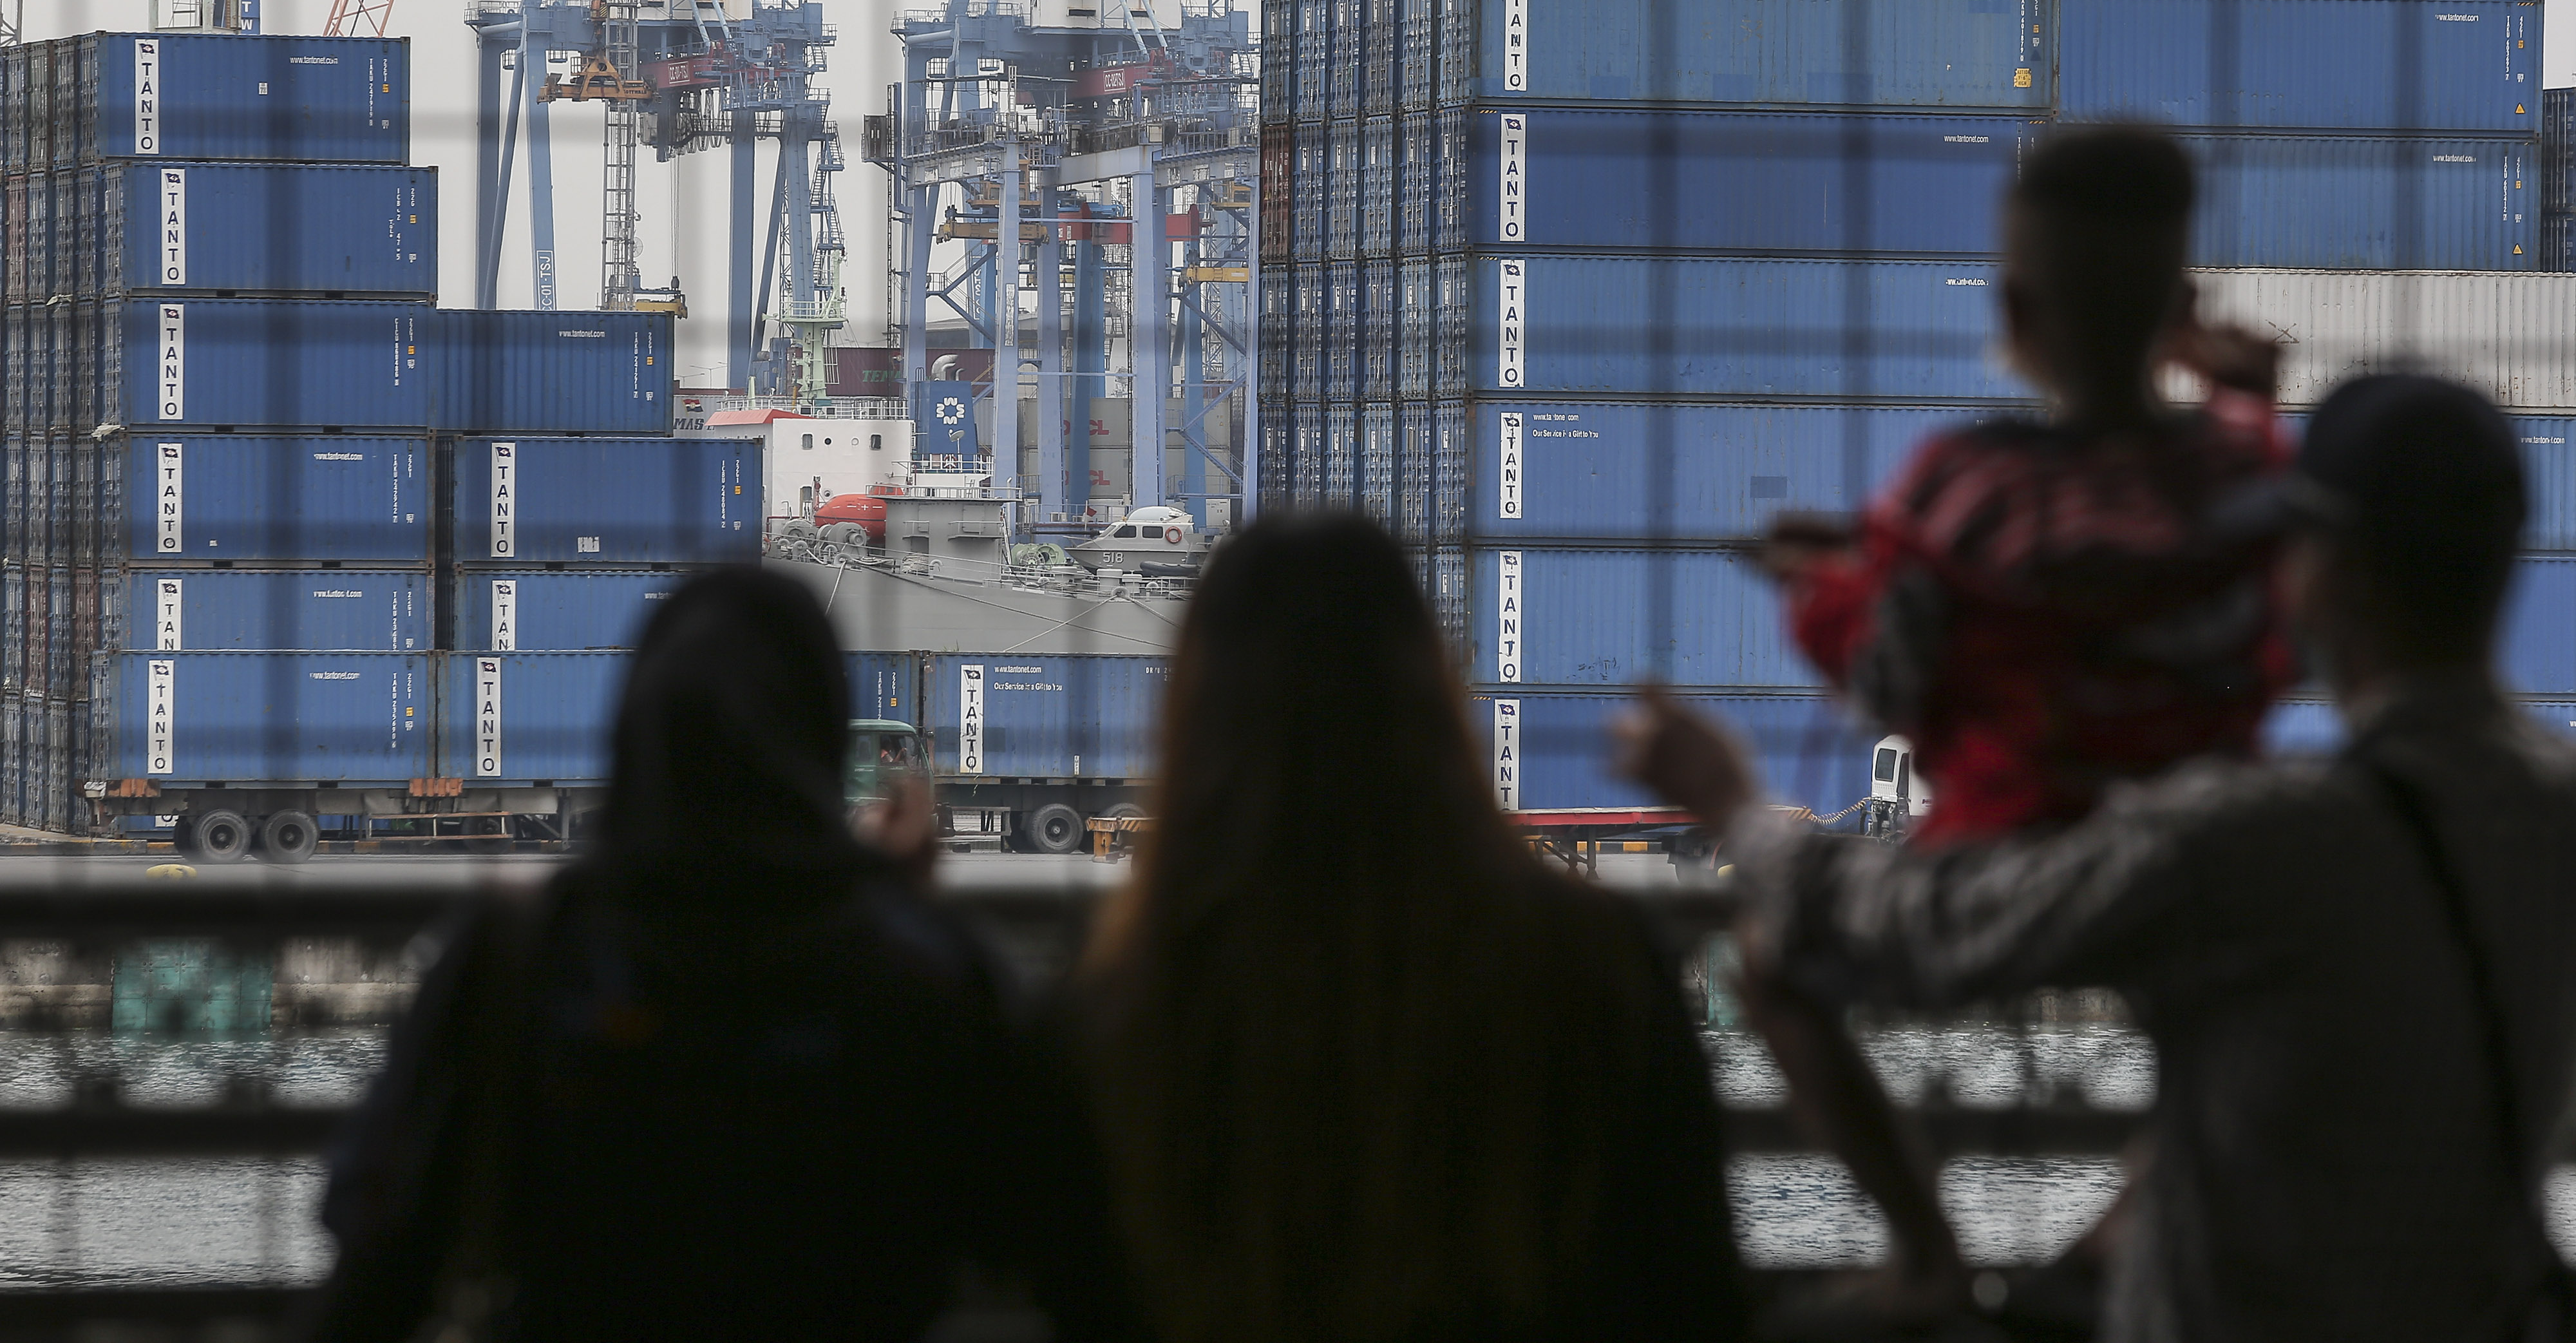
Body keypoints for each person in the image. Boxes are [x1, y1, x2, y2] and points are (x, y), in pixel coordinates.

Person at [1620, 373, 2576, 1342]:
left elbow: (1945, 928)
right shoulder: (2555, 810)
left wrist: (1733, 808)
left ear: (2332, 577)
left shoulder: (2275, 840)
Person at [305, 567, 1129, 1342]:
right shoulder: (926, 977)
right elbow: (1071, 1258)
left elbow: (379, 1269)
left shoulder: (521, 959)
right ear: (817, 733)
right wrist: (898, 910)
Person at [1073, 513, 1745, 1343]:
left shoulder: (1110, 1012)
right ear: (1434, 689)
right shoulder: (1595, 967)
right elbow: (1695, 1288)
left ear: (1189, 710)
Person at [1770, 122, 2297, 842]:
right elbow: (2283, 633)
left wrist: (1816, 590)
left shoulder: (1968, 486)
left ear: (2013, 313)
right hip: (2203, 854)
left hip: (2007, 857)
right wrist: (2247, 396)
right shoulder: (2245, 477)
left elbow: (1887, 679)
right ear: (2184, 312)